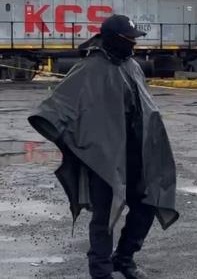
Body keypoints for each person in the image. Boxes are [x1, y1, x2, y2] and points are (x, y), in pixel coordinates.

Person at [28, 15, 179, 279]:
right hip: (104, 157)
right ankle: (100, 270)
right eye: (129, 38)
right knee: (105, 215)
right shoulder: (90, 68)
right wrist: (71, 140)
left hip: (136, 154)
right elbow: (58, 106)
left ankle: (124, 258)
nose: (133, 43)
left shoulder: (131, 65)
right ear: (114, 38)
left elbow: (145, 107)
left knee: (147, 204)